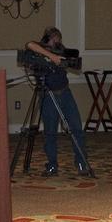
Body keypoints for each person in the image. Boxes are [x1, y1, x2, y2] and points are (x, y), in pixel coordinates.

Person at [26, 27, 93, 177]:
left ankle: (81, 162)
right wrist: (51, 56)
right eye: (55, 38)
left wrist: (61, 59)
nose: (57, 41)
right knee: (50, 132)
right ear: (48, 38)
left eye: (59, 38)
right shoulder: (39, 50)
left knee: (76, 128)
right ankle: (52, 165)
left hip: (65, 93)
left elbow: (73, 60)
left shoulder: (61, 50)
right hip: (48, 95)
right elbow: (29, 44)